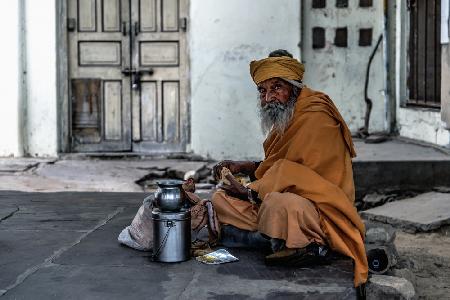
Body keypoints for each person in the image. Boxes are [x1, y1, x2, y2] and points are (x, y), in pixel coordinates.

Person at [211, 49, 368, 289]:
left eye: (276, 88)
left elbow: (297, 173)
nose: (268, 98)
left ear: (294, 88)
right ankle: (281, 240)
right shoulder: (287, 117)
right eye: (263, 91)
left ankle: (288, 239)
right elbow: (275, 165)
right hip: (277, 195)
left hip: (318, 207)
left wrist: (252, 192)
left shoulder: (317, 114)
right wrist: (245, 167)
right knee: (220, 199)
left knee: (279, 204)